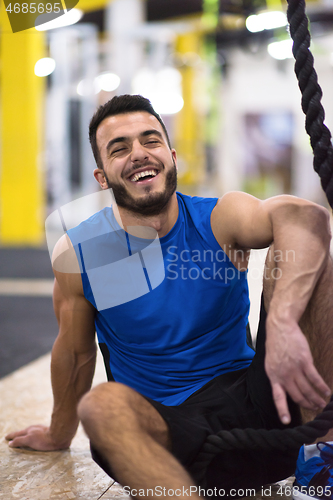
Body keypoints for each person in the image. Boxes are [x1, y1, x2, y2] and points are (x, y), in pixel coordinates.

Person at [6, 95, 333, 499]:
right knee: (101, 406)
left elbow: (305, 216)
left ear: (172, 156)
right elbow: (75, 352)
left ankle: (323, 459)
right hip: (166, 446)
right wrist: (58, 432)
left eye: (150, 141)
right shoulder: (82, 252)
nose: (139, 154)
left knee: (316, 265)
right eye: (119, 148)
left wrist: (283, 322)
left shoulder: (219, 218)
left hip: (264, 412)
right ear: (102, 176)